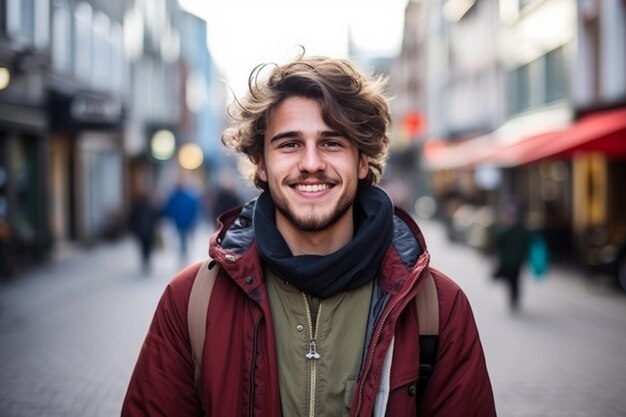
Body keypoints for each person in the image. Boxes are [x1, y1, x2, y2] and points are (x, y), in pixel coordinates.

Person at [122, 53, 496, 416]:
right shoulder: (190, 302)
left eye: (332, 143)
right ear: (261, 163)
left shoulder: (438, 307)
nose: (312, 163)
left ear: (363, 160)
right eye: (289, 144)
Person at [492, 203, 532, 312]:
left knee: (515, 280)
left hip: (517, 260)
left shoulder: (521, 230)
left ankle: (515, 298)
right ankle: (513, 298)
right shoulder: (505, 230)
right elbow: (498, 244)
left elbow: (528, 242)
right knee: (510, 281)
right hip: (508, 261)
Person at [163, 178, 200, 266]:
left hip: (185, 223)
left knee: (184, 241)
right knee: (181, 241)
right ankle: (182, 258)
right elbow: (169, 209)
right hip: (178, 223)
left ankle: (184, 258)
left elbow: (194, 210)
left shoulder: (187, 196)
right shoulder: (175, 196)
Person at [128, 191, 161, 274]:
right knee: (148, 246)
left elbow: (132, 219)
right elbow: (156, 217)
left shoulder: (137, 208)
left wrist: (134, 230)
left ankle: (145, 260)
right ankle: (147, 260)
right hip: (149, 231)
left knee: (143, 246)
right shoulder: (150, 207)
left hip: (141, 232)